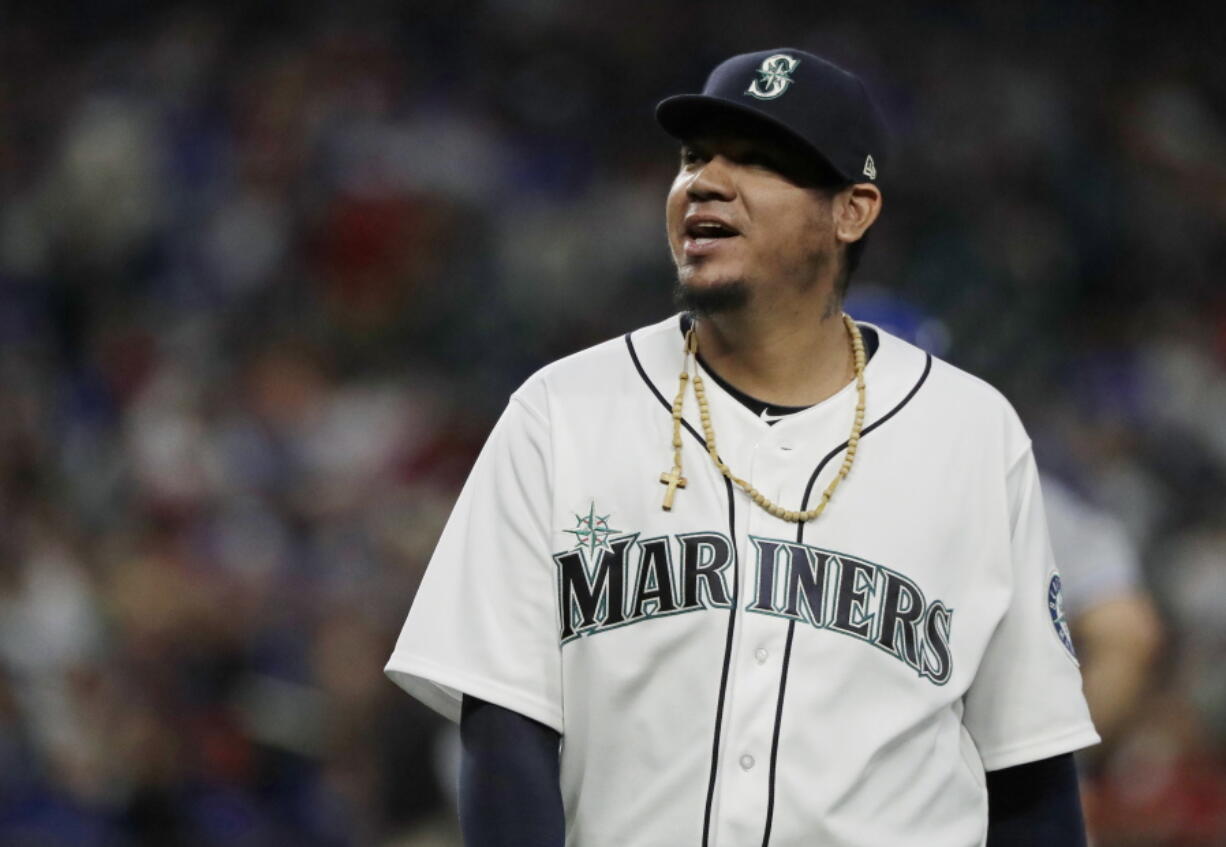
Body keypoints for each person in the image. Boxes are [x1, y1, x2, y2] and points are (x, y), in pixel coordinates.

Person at [386, 48, 1100, 846]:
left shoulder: (972, 432)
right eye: (695, 158)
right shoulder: (563, 411)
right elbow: (505, 730)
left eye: (758, 161)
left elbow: (1029, 767)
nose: (707, 182)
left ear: (852, 209)